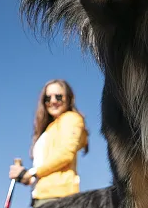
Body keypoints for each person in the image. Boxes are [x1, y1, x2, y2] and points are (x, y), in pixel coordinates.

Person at [9, 79, 89, 208]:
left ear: (68, 98)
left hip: (60, 197)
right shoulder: (49, 128)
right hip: (41, 196)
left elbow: (65, 154)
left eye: (58, 96)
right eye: (48, 98)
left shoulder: (71, 118)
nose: (53, 101)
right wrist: (25, 176)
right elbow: (44, 169)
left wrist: (32, 172)